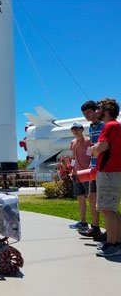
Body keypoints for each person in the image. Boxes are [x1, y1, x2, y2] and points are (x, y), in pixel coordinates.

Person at [91, 98, 121, 257]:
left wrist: (94, 148)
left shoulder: (109, 126)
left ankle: (111, 244)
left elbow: (101, 147)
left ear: (107, 109)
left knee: (107, 209)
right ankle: (117, 241)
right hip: (115, 172)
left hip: (108, 172)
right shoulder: (117, 126)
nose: (97, 111)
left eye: (99, 108)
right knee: (113, 209)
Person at [78, 101, 105, 240]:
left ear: (96, 111)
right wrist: (90, 163)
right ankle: (95, 228)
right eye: (84, 113)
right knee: (92, 197)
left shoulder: (104, 125)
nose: (86, 115)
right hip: (94, 167)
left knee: (104, 200)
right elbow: (92, 147)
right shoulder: (91, 127)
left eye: (88, 112)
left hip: (104, 167)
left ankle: (112, 232)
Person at [68, 122, 91, 230]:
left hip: (87, 174)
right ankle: (83, 222)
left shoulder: (88, 141)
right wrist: (72, 170)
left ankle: (95, 225)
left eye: (77, 129)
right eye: (73, 129)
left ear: (82, 129)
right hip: (76, 175)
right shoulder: (72, 142)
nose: (75, 131)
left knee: (91, 199)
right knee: (80, 199)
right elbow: (73, 158)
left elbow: (92, 156)